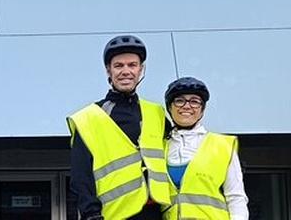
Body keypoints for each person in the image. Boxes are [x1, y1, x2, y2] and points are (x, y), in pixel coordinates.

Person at [67, 35, 172, 220]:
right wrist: (91, 214)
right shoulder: (89, 118)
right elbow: (81, 176)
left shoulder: (156, 112)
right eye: (118, 66)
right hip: (114, 215)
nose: (126, 71)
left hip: (157, 212)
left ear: (141, 69)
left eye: (132, 65)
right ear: (108, 70)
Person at [164, 77, 249, 220]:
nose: (187, 106)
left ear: (202, 110)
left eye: (195, 102)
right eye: (179, 100)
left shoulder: (222, 145)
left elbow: (236, 197)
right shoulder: (160, 148)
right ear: (169, 107)